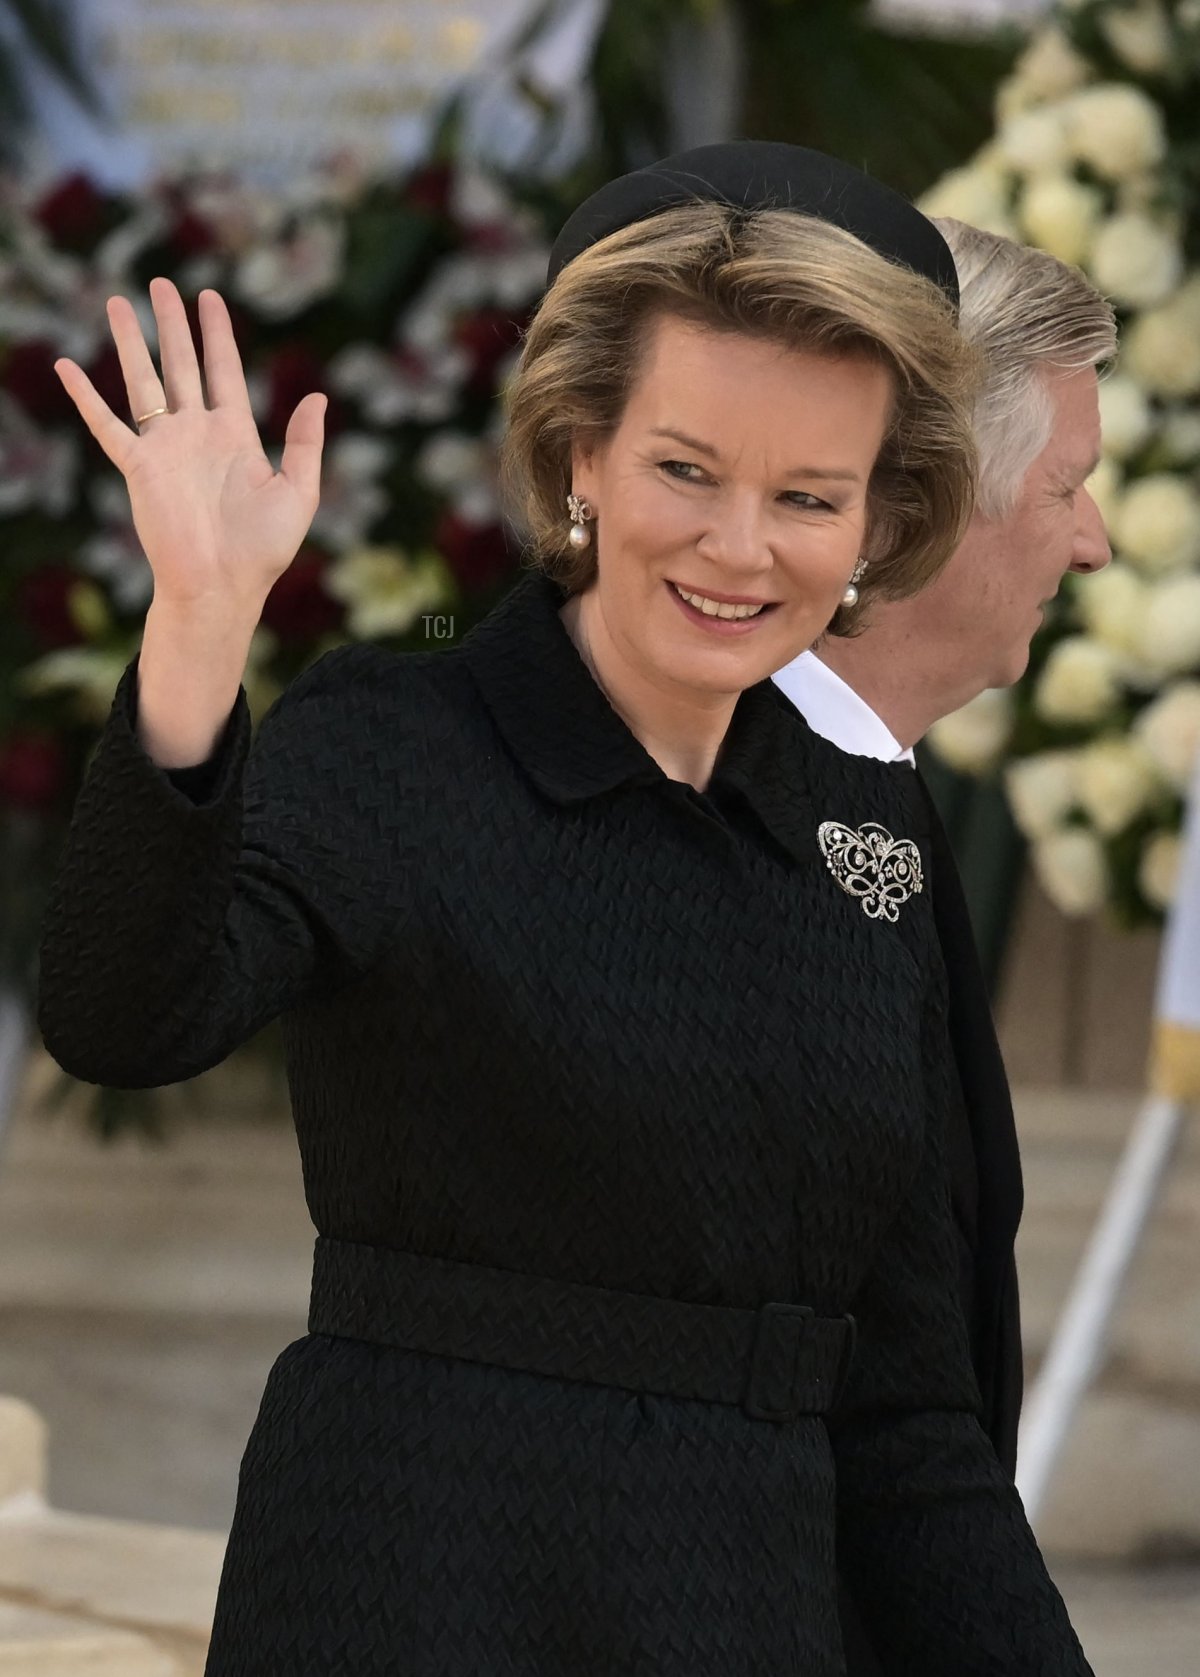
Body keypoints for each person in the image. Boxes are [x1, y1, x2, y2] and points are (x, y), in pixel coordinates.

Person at [35, 142, 1097, 1675]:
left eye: (809, 495)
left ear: (879, 523)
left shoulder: (863, 833)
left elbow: (909, 1412)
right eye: (686, 469)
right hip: (412, 1597)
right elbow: (124, 1017)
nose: (741, 548)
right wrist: (199, 630)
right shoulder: (397, 742)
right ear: (581, 453)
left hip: (742, 1620)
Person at [769, 219, 1116, 1675]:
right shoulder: (753, 809)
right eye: (1069, 487)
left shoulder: (866, 782)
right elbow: (876, 1383)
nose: (1094, 539)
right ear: (941, 499)